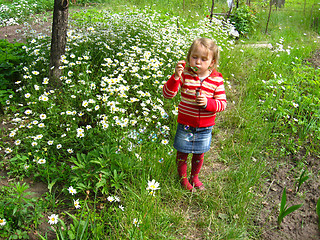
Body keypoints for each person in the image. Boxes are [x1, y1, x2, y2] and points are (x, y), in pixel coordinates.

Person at [162, 37, 227, 191]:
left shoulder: (216, 80)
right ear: (189, 57)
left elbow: (222, 104)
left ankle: (194, 176)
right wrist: (176, 77)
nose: (198, 62)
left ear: (211, 62)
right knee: (182, 152)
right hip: (185, 123)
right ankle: (183, 179)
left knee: (199, 153)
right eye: (194, 57)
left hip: (205, 126)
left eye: (204, 59)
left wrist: (207, 103)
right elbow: (168, 94)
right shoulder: (185, 75)